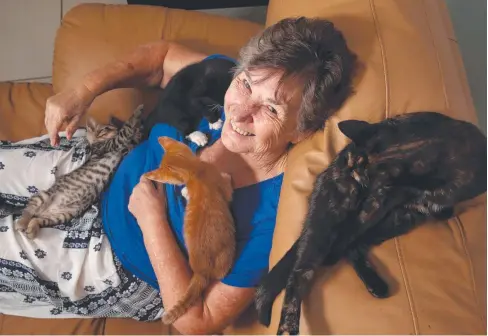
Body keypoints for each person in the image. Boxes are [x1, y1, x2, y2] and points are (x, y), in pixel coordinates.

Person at [0, 17, 356, 334]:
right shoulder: (223, 80)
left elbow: (197, 321)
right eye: (246, 84)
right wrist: (83, 90)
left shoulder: (276, 215)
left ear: (302, 129)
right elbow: (162, 58)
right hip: (100, 161)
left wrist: (152, 220)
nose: (239, 111)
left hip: (114, 258)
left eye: (271, 108)